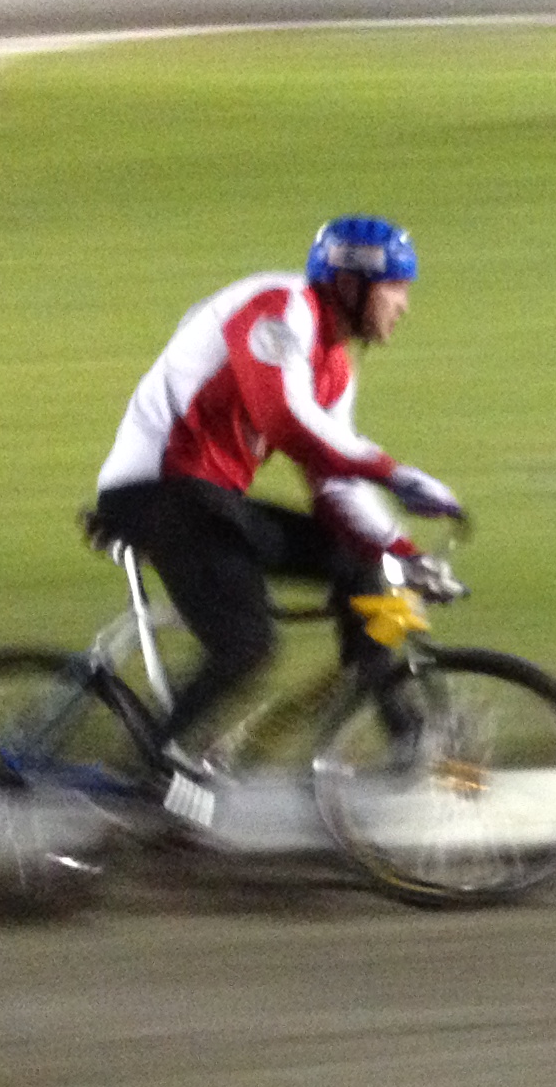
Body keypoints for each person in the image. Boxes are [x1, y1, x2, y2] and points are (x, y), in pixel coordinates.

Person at [88, 214, 461, 793]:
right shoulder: (278, 312)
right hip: (157, 491)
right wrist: (393, 472)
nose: (403, 306)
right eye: (394, 287)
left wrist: (401, 550)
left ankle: (403, 732)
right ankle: (146, 771)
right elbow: (286, 418)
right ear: (351, 285)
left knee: (358, 565)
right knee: (246, 644)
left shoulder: (334, 366)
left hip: (206, 501)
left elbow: (334, 482)